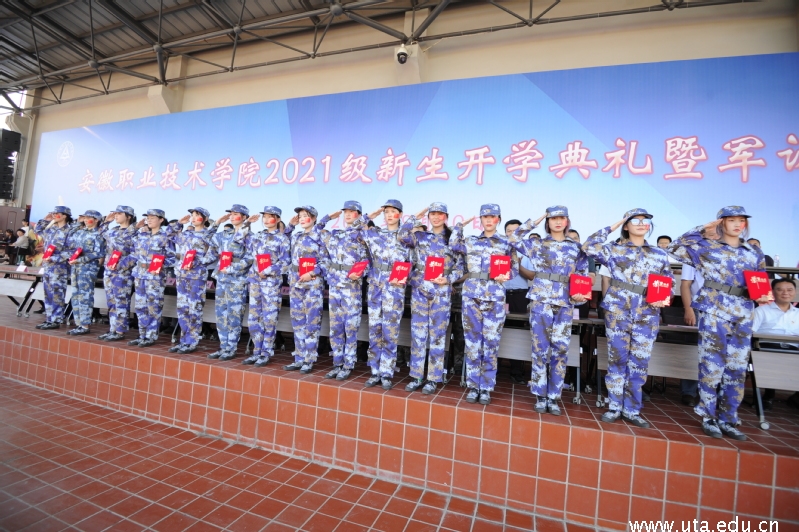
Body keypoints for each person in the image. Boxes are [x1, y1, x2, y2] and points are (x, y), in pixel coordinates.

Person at [669, 206, 769, 440]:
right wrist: (704, 227)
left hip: (743, 312)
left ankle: (728, 418)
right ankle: (708, 416)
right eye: (731, 220)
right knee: (712, 365)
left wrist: (763, 295)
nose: (737, 224)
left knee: (737, 367)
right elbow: (675, 247)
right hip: (714, 309)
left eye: (741, 220)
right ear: (721, 223)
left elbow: (760, 280)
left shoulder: (754, 252)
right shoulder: (706, 248)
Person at [584, 208, 673, 428]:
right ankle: (614, 406)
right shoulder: (613, 249)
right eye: (635, 220)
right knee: (617, 359)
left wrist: (664, 298)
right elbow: (588, 245)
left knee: (639, 362)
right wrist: (613, 226)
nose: (642, 224)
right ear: (626, 225)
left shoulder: (658, 253)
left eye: (645, 221)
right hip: (618, 311)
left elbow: (667, 282)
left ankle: (632, 409)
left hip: (647, 313)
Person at [510, 206, 589, 415]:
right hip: (541, 301)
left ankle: (554, 396)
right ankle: (539, 394)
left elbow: (582, 273)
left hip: (565, 302)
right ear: (547, 221)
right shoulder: (537, 244)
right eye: (553, 218)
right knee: (540, 349)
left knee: (560, 350)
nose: (558, 221)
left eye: (562, 218)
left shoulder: (576, 247)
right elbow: (514, 237)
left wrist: (580, 294)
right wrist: (537, 219)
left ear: (567, 221)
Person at [450, 204, 518, 406]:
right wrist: (459, 226)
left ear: (498, 219)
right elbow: (453, 245)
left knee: (491, 342)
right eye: (485, 217)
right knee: (472, 342)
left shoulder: (506, 242)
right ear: (480, 220)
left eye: (493, 217)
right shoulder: (470, 241)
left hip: (495, 296)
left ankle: (486, 387)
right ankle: (473, 385)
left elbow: (514, 267)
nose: (489, 220)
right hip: (471, 296)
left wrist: (507, 275)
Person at [399, 203, 463, 394]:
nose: (435, 217)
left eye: (439, 214)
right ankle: (416, 375)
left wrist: (448, 279)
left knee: (437, 336)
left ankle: (433, 378)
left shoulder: (452, 240)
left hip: (441, 293)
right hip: (420, 290)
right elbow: (402, 235)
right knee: (418, 335)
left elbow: (461, 267)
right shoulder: (420, 236)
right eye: (432, 214)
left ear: (446, 217)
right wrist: (414, 217)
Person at [355, 200, 412, 390]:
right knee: (374, 330)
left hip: (394, 289)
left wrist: (404, 277)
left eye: (393, 211)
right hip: (375, 288)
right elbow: (356, 228)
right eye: (386, 212)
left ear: (400, 214)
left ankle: (387, 372)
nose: (389, 215)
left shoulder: (405, 237)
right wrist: (371, 215)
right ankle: (374, 371)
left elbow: (412, 262)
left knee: (390, 332)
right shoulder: (375, 234)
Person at [318, 201, 369, 381]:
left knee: (350, 328)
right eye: (345, 211)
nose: (348, 214)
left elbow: (369, 261)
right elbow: (317, 232)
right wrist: (326, 218)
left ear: (359, 215)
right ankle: (337, 363)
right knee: (335, 328)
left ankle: (348, 365)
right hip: (335, 287)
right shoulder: (335, 235)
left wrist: (361, 273)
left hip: (351, 289)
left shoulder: (363, 236)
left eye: (352, 212)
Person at [243, 206, 290, 366]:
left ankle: (266, 353)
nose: (266, 219)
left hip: (270, 284)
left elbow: (285, 262)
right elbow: (239, 240)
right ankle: (256, 351)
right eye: (264, 216)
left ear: (277, 219)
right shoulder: (258, 236)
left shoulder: (282, 239)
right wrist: (247, 224)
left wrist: (268, 270)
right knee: (253, 319)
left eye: (270, 216)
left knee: (269, 319)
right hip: (255, 281)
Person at [283, 206, 328, 373]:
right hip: (296, 284)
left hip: (312, 285)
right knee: (298, 322)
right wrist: (290, 226)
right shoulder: (296, 236)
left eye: (305, 216)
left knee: (312, 323)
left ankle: (309, 360)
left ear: (314, 218)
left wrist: (313, 272)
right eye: (300, 216)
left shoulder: (320, 236)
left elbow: (326, 261)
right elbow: (281, 242)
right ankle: (299, 358)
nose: (301, 219)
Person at [169, 207, 218, 354]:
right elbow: (169, 235)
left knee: (194, 308)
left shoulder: (208, 235)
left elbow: (214, 254)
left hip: (196, 276)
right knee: (182, 309)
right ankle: (183, 340)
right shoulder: (186, 234)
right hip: (182, 275)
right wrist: (179, 223)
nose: (193, 217)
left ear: (205, 219)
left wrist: (199, 262)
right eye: (192, 215)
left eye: (197, 215)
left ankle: (192, 341)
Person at [208, 205, 253, 361]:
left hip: (237, 280)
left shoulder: (249, 236)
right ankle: (223, 346)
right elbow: (206, 239)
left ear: (244, 217)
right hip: (222, 279)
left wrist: (233, 268)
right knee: (221, 314)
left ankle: (231, 347)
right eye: (231, 214)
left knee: (234, 315)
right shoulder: (224, 234)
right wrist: (216, 223)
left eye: (236, 214)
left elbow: (250, 258)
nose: (232, 217)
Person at [129, 209, 175, 347]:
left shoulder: (165, 236)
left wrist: (158, 264)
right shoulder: (142, 235)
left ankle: (151, 335)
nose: (149, 220)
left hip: (155, 276)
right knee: (140, 306)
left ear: (161, 220)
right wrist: (135, 228)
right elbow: (131, 247)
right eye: (147, 218)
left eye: (152, 218)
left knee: (153, 306)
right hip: (140, 275)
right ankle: (142, 334)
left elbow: (172, 258)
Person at [753, 278, 799, 409]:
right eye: (780, 290)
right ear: (773, 292)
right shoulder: (761, 310)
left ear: (795, 292)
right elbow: (751, 331)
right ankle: (768, 396)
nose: (785, 293)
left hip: (793, 349)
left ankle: (796, 397)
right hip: (766, 347)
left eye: (789, 290)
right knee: (769, 358)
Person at [98, 206, 137, 341]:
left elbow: (136, 253)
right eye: (115, 213)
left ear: (128, 216)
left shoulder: (134, 232)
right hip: (109, 270)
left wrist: (121, 265)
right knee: (111, 301)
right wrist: (106, 222)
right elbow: (100, 233)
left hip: (122, 273)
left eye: (119, 213)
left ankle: (120, 331)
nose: (116, 215)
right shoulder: (113, 231)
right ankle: (112, 329)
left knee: (121, 301)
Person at [503, 219, 535, 384]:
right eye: (509, 231)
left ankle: (516, 371)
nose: (512, 234)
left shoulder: (527, 251)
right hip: (501, 294)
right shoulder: (500, 249)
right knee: (498, 330)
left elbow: (532, 276)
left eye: (516, 230)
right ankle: (496, 368)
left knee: (518, 332)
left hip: (519, 296)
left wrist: (517, 265)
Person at [65, 210, 107, 335]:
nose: (85, 220)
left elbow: (98, 253)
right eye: (84, 217)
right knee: (75, 295)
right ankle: (78, 323)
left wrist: (80, 260)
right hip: (76, 267)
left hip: (88, 269)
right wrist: (78, 223)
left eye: (89, 217)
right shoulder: (80, 232)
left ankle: (85, 325)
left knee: (85, 296)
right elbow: (69, 237)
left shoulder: (98, 234)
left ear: (96, 220)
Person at [35, 206, 77, 330]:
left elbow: (72, 251)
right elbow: (38, 230)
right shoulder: (51, 229)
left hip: (59, 267)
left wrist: (54, 258)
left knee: (57, 294)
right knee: (48, 293)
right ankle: (49, 318)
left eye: (57, 213)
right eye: (53, 213)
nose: (54, 215)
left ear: (65, 216)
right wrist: (45, 219)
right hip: (48, 267)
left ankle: (56, 319)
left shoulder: (70, 231)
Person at [678, 263, 703, 407]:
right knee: (692, 350)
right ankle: (689, 391)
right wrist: (688, 309)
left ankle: (716, 393)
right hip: (697, 307)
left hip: (724, 310)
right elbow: (685, 284)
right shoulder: (693, 256)